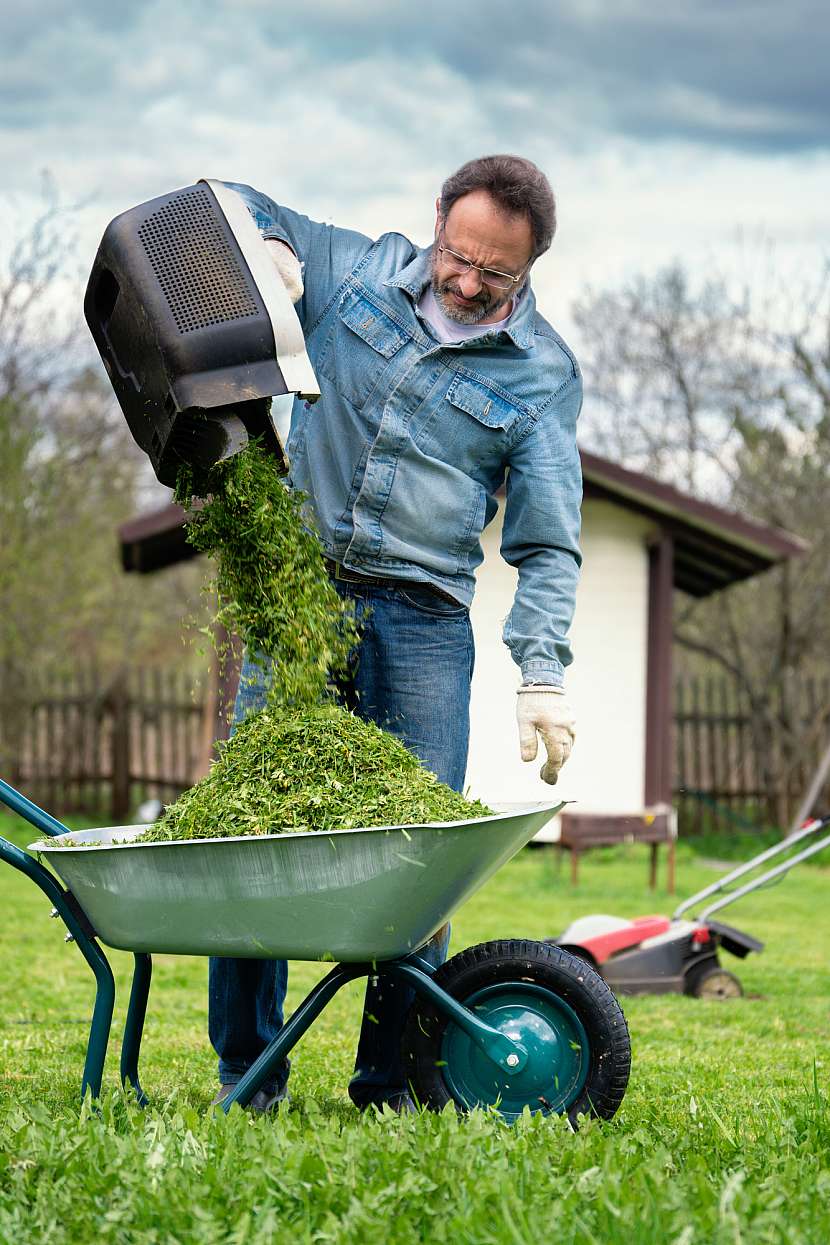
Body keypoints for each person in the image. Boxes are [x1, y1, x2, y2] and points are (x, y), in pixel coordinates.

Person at [209, 155, 582, 1113]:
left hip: (422, 621)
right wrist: (273, 252)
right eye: (458, 257)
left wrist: (541, 671)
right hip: (299, 595)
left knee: (416, 863)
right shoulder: (360, 270)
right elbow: (235, 198)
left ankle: (392, 1084)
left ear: (531, 266)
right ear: (437, 227)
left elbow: (547, 542)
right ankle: (248, 1075)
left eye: (494, 275)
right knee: (254, 832)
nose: (466, 283)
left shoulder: (541, 377)